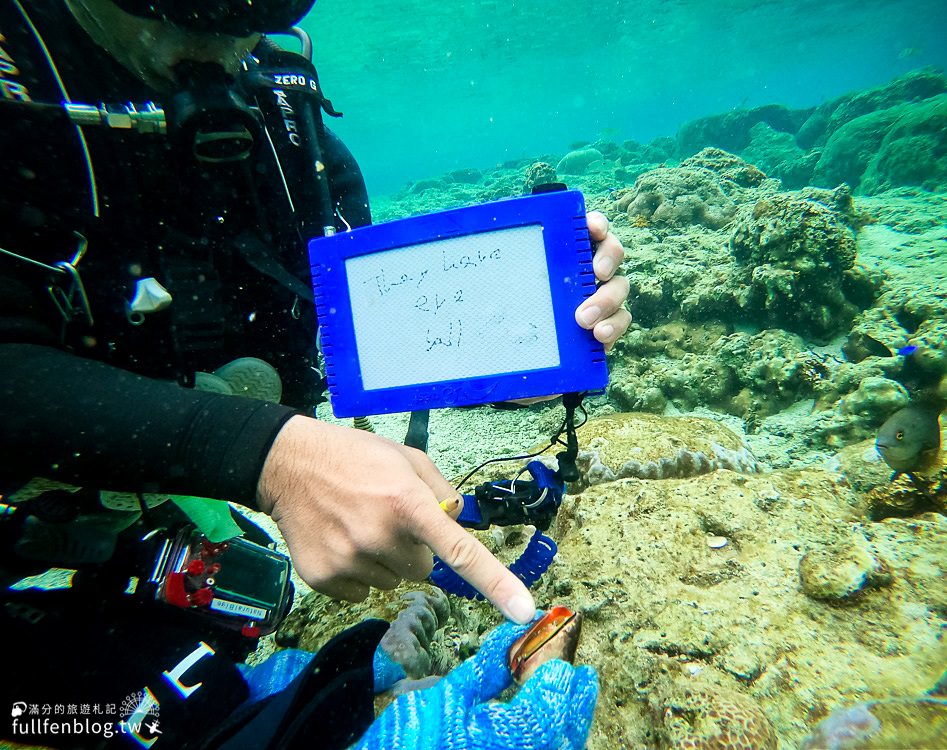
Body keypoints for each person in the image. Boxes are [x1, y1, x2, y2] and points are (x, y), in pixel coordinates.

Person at [0, 0, 631, 747]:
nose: (218, 25)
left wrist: (513, 348)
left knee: (227, 659)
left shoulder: (284, 126)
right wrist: (270, 456)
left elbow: (368, 320)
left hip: (142, 503)